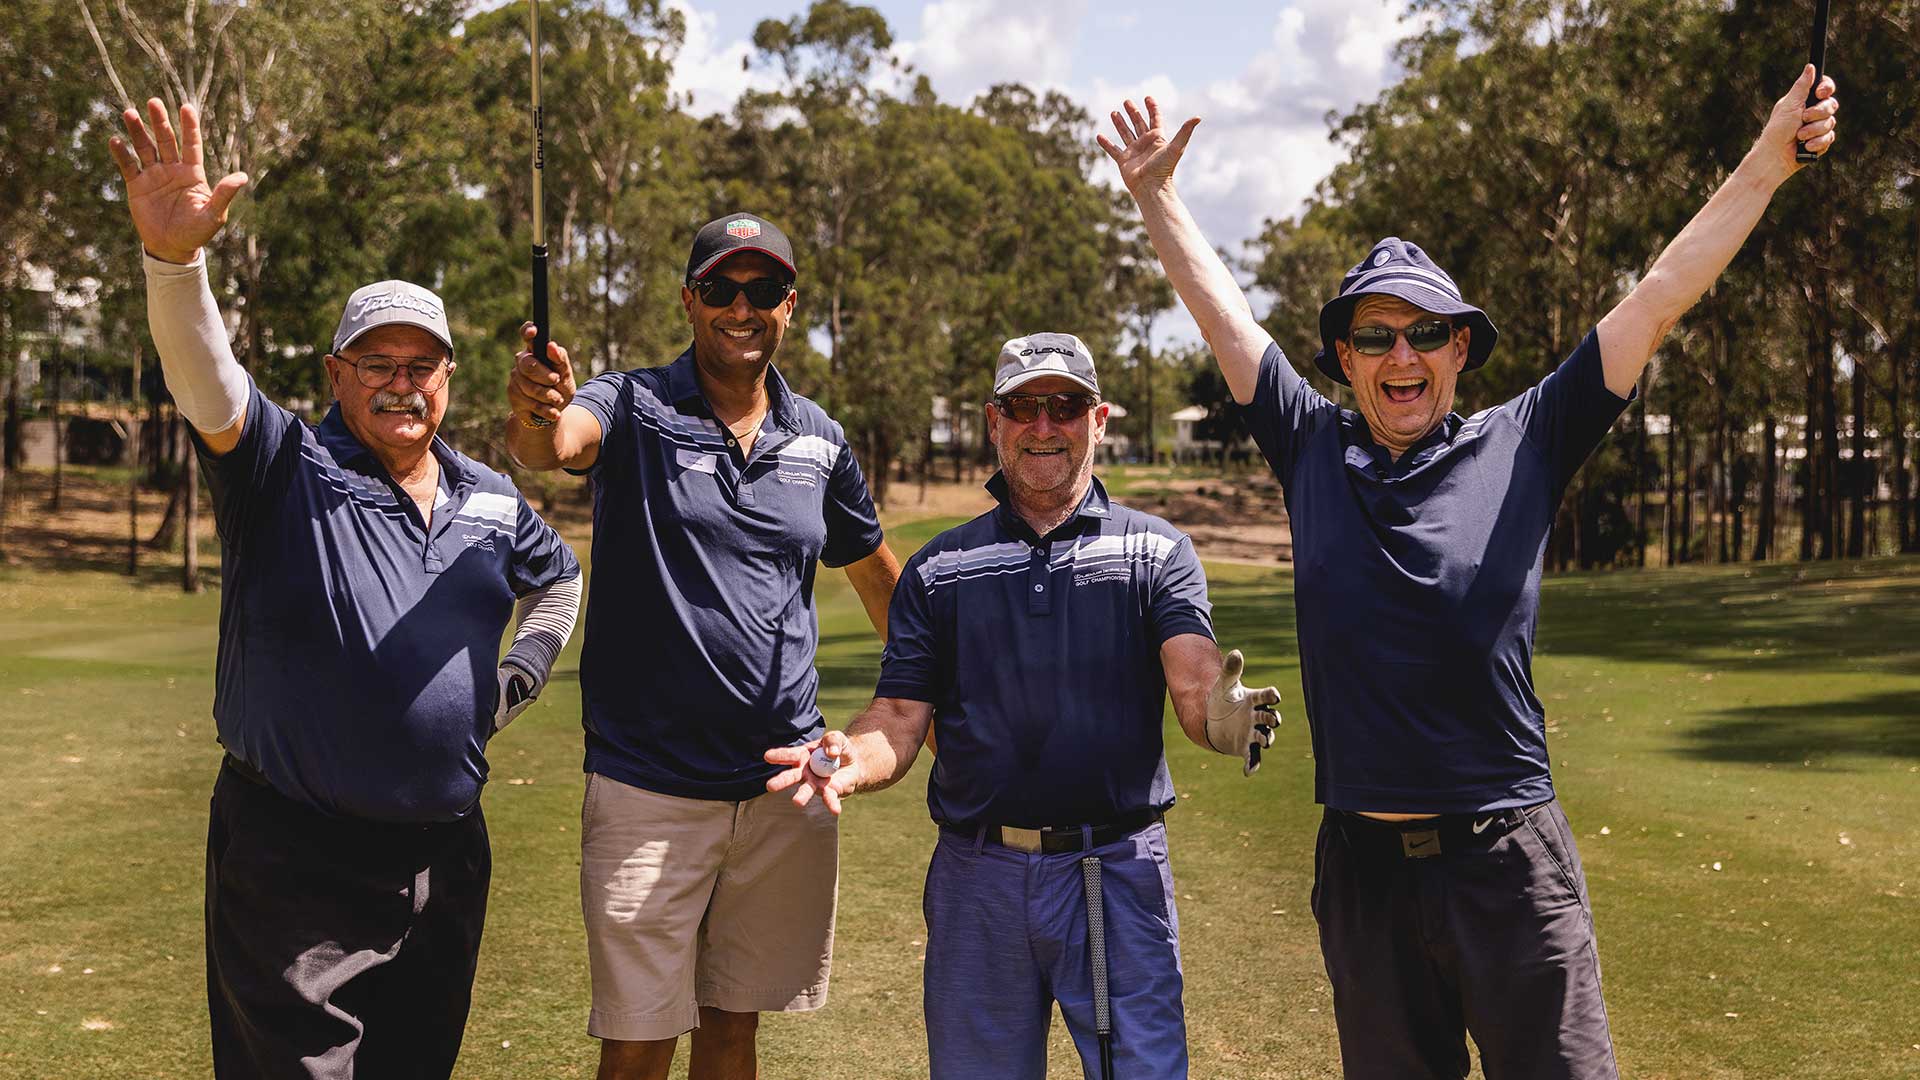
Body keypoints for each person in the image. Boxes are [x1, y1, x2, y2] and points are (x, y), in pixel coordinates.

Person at [1098, 64, 1838, 1080]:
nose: (1401, 353)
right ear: (1347, 359)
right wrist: (1156, 197)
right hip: (1363, 875)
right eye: (1375, 335)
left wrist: (1768, 157)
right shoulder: (1311, 447)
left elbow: (1662, 294)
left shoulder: (1526, 437)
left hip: (1508, 865)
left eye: (1426, 333)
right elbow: (1224, 317)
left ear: (1459, 350)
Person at [106, 99, 583, 1078]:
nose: (402, 383)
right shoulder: (283, 468)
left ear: (450, 376)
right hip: (294, 864)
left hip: (447, 860)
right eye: (378, 363)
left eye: (424, 364)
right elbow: (207, 380)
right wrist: (174, 265)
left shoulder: (490, 498)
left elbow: (562, 580)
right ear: (336, 373)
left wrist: (512, 687)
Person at [765, 333, 1283, 1079]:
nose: (1045, 425)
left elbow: (1196, 681)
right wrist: (851, 759)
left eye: (1065, 406)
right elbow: (902, 717)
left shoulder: (1156, 551)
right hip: (980, 879)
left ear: (1097, 419)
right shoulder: (939, 571)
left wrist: (1222, 717)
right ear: (993, 422)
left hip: (1114, 872)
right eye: (1024, 406)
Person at [504, 213, 903, 1079]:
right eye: (721, 287)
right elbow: (552, 446)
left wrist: (939, 692)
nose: (741, 307)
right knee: (639, 1041)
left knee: (734, 1029)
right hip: (650, 789)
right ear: (690, 299)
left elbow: (878, 579)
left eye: (762, 291)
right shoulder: (635, 404)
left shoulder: (820, 440)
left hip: (783, 789)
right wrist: (536, 409)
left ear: (789, 307)